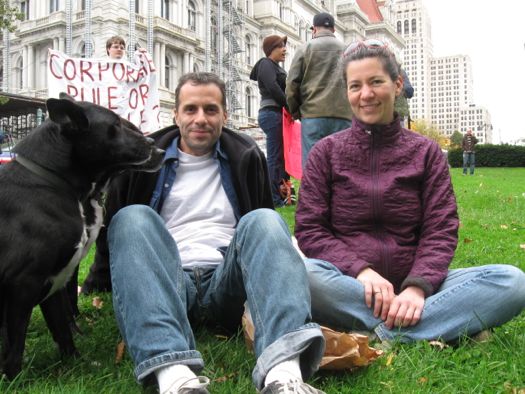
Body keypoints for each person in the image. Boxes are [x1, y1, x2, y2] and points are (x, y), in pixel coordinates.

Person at [86, 72, 325, 394]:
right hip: (169, 282)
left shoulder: (246, 155)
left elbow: (261, 235)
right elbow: (114, 236)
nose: (201, 119)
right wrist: (94, 285)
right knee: (132, 217)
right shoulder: (143, 161)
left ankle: (283, 376)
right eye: (191, 109)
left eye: (211, 110)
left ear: (225, 115)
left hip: (226, 281)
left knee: (264, 219)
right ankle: (175, 378)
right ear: (176, 113)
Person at [295, 40, 525, 344]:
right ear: (346, 91)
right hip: (350, 285)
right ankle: (440, 324)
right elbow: (310, 229)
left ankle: (379, 331)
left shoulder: (426, 152)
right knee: (302, 275)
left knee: (512, 282)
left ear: (397, 84)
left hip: (420, 283)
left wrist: (417, 287)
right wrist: (361, 271)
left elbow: (440, 228)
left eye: (376, 82)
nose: (366, 94)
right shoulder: (326, 152)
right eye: (355, 86)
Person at [286, 12, 352, 168]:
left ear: (314, 29)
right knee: (342, 166)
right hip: (343, 115)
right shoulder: (348, 51)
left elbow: (291, 84)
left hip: (313, 115)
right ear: (334, 30)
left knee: (313, 167)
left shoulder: (305, 49)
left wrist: (296, 111)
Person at [250, 35, 294, 207]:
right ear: (271, 49)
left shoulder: (274, 66)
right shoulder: (266, 64)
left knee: (281, 157)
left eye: (284, 46)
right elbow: (273, 87)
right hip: (272, 114)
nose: (285, 49)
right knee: (275, 157)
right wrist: (290, 105)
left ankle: (284, 194)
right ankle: (273, 198)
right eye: (280, 46)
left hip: (278, 114)